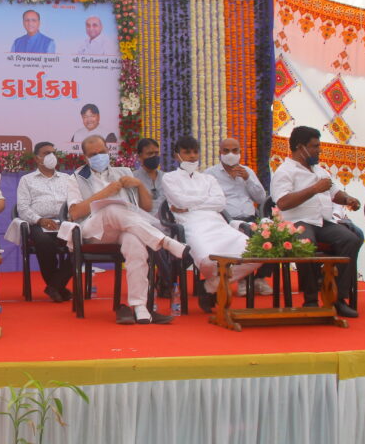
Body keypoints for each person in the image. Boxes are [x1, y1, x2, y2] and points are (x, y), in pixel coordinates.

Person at [66, 135, 186, 325]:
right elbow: (74, 213)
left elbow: (145, 207)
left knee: (135, 243)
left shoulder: (123, 172)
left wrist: (139, 185)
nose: (99, 156)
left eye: (102, 152)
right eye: (93, 154)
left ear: (108, 151)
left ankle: (139, 306)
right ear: (85, 158)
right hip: (95, 230)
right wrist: (105, 193)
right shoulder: (76, 178)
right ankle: (164, 241)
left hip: (125, 227)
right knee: (112, 208)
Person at [270, 126, 363, 318]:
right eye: (315, 146)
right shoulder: (285, 171)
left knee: (351, 239)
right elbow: (283, 202)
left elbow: (334, 193)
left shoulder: (320, 170)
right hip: (295, 222)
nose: (319, 150)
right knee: (306, 243)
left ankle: (337, 298)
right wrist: (314, 189)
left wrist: (348, 199)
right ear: (300, 147)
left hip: (322, 222)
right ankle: (310, 299)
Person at [161, 136, 261, 312]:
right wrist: (204, 201)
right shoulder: (169, 178)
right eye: (187, 152)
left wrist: (189, 205)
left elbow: (220, 203)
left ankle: (210, 285)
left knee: (255, 255)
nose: (192, 156)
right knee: (208, 260)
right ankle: (214, 285)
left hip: (218, 223)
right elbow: (179, 201)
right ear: (177, 155)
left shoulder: (207, 179)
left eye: (195, 152)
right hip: (191, 226)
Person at [204, 136, 272, 297]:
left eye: (235, 151)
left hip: (251, 218)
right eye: (226, 151)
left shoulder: (247, 171)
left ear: (240, 152)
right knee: (246, 235)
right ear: (220, 153)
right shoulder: (210, 174)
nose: (231, 154)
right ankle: (244, 280)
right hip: (226, 221)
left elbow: (261, 198)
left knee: (273, 236)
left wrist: (248, 179)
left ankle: (260, 278)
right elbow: (207, 201)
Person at [16, 141, 72, 303]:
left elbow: (75, 202)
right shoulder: (27, 180)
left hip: (64, 223)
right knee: (44, 242)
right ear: (37, 158)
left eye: (53, 152)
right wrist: (40, 220)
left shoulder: (67, 179)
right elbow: (22, 208)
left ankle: (55, 285)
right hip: (39, 223)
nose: (51, 156)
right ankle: (58, 287)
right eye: (46, 153)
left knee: (80, 243)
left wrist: (69, 218)